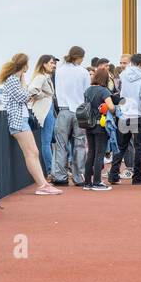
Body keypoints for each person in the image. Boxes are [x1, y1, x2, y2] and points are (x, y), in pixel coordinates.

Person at [0, 52, 60, 195]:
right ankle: (42, 185)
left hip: (21, 119)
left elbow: (26, 94)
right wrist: (37, 94)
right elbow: (23, 97)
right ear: (24, 65)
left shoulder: (16, 79)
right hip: (18, 120)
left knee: (33, 152)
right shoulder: (13, 79)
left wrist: (30, 90)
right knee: (31, 153)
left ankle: (43, 183)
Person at [109, 53, 141, 185]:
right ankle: (138, 176)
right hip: (137, 116)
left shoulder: (123, 75)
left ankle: (113, 175)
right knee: (139, 147)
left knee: (121, 147)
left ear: (131, 62)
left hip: (124, 115)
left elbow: (122, 95)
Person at [51, 46, 90, 185]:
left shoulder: (59, 71)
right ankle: (79, 176)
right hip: (79, 111)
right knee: (79, 144)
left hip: (63, 110)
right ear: (79, 57)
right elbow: (87, 93)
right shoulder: (84, 72)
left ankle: (60, 176)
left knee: (61, 144)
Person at [80, 64, 116, 190]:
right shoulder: (104, 91)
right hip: (101, 125)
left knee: (91, 153)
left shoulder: (88, 90)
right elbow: (111, 107)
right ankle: (97, 181)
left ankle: (87, 182)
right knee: (99, 154)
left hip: (89, 124)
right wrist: (115, 110)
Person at [28, 54, 57, 176]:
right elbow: (31, 90)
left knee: (50, 141)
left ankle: (53, 170)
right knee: (46, 142)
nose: (54, 65)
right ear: (44, 64)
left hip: (48, 110)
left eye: (54, 63)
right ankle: (50, 171)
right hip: (45, 111)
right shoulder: (41, 77)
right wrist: (43, 95)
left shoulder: (46, 77)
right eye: (51, 63)